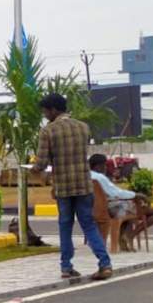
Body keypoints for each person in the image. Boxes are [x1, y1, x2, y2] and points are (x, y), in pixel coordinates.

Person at [32, 93, 112, 280]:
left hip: (63, 187)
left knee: (65, 226)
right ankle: (105, 264)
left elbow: (41, 163)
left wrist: (33, 169)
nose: (45, 115)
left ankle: (66, 267)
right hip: (84, 184)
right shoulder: (83, 127)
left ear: (53, 110)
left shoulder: (48, 131)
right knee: (89, 225)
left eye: (45, 111)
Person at [88, 154, 153, 247]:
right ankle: (130, 235)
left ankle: (123, 239)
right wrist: (136, 195)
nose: (106, 168)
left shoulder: (87, 177)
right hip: (109, 209)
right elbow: (116, 193)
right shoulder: (100, 177)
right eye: (104, 165)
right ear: (98, 166)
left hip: (93, 210)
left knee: (127, 208)